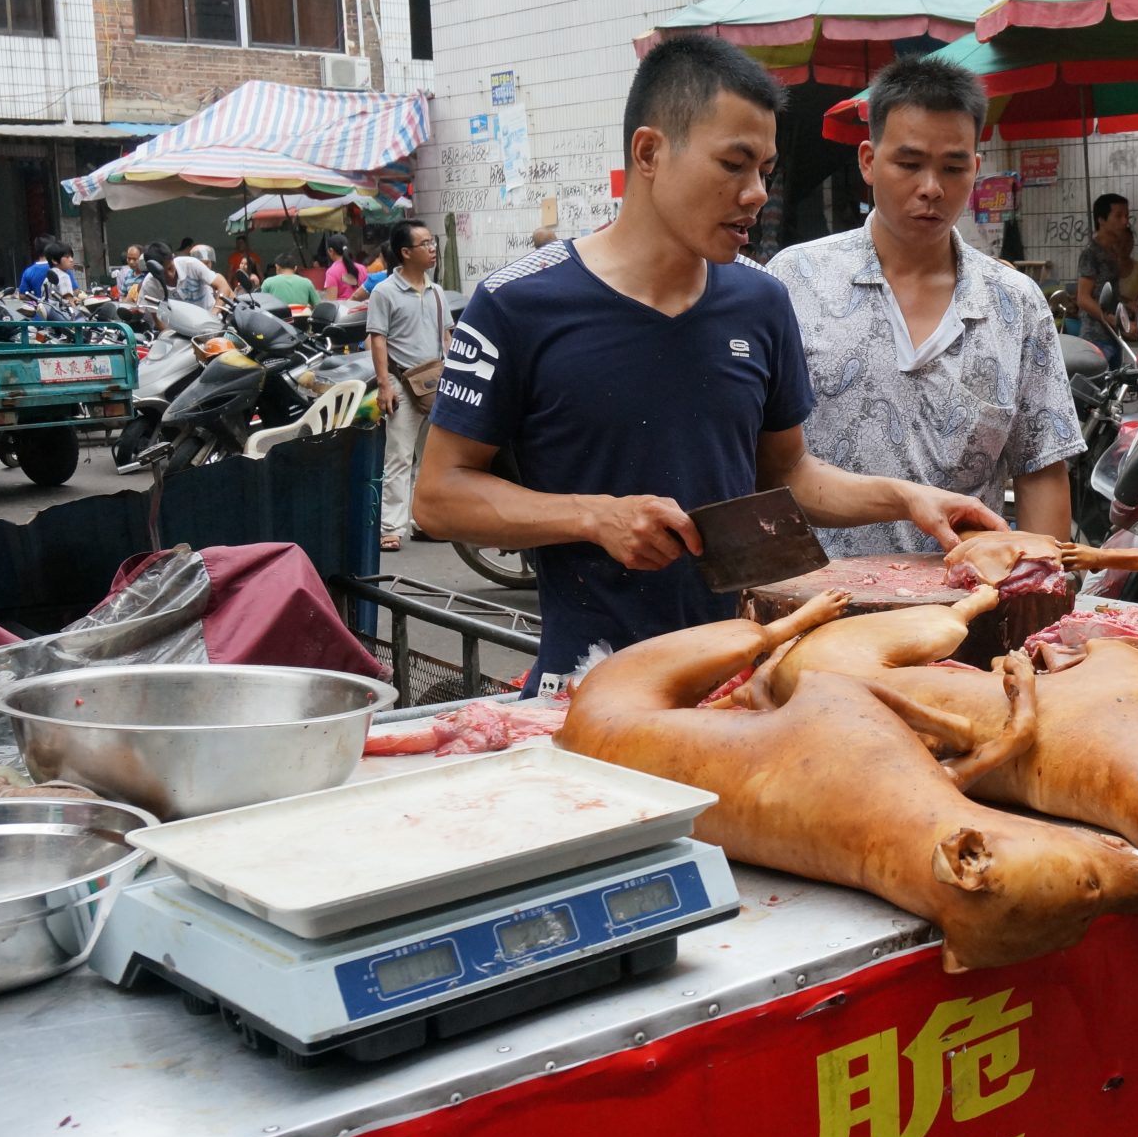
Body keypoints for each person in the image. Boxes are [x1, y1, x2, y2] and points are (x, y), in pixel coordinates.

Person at [413, 36, 1002, 694]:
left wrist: (904, 497)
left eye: (766, 170)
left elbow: (788, 474)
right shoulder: (518, 303)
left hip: (736, 686)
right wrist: (593, 517)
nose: (755, 193)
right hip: (583, 687)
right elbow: (440, 495)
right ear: (649, 153)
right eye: (733, 163)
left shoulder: (760, 301)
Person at [768, 54, 1085, 555]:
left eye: (953, 167)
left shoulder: (1014, 303)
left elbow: (1039, 466)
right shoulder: (794, 282)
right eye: (909, 164)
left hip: (964, 609)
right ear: (868, 161)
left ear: (976, 169)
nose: (932, 188)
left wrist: (1039, 589)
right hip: (815, 607)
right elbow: (767, 464)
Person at [367, 220, 446, 552]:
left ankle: (424, 522)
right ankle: (391, 527)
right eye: (425, 244)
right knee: (399, 457)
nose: (432, 249)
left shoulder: (437, 291)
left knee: (432, 461)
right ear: (405, 252)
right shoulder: (384, 292)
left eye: (433, 242)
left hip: (436, 387)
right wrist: (385, 385)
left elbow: (446, 337)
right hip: (402, 385)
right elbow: (378, 339)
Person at [1075, 193, 1130, 363]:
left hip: (1113, 336)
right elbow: (1083, 298)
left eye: (1126, 216)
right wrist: (1109, 318)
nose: (1125, 222)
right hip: (1096, 337)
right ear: (1101, 220)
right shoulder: (1091, 253)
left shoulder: (1113, 252)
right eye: (1118, 216)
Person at [135, 240, 233, 316]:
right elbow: (157, 317)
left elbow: (223, 286)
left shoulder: (191, 264)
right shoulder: (149, 284)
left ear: (173, 258)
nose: (169, 275)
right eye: (163, 273)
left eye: (170, 268)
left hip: (209, 320)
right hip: (179, 329)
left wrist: (214, 313)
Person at [322, 233, 366, 301]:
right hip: (361, 309)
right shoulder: (362, 268)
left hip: (343, 310)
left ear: (331, 251)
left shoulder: (331, 272)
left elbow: (331, 301)